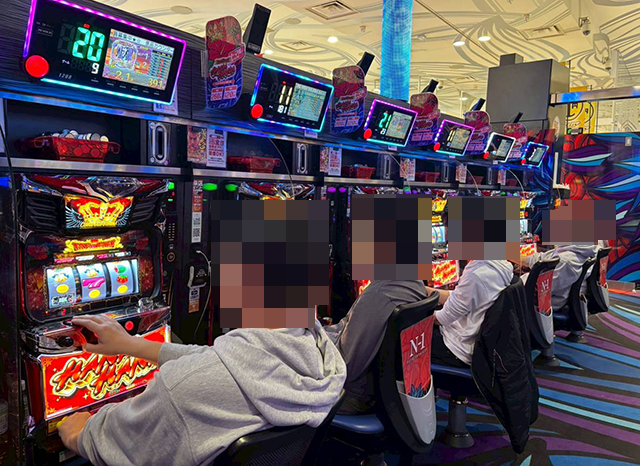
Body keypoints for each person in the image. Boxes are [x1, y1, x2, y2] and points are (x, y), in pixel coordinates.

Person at [57, 315, 346, 466]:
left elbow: (112, 444)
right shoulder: (322, 357)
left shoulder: (182, 390)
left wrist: (78, 430)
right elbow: (228, 358)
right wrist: (134, 345)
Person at [324, 281, 427, 415]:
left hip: (350, 394)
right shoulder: (414, 283)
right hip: (381, 388)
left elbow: (345, 367)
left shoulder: (378, 295)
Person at [425, 260, 514, 367]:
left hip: (457, 348)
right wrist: (426, 291)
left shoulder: (476, 275)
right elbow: (462, 296)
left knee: (408, 337)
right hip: (474, 340)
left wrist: (415, 312)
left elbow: (442, 319)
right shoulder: (500, 266)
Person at [520, 244, 598, 311]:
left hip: (548, 303)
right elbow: (542, 258)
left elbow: (540, 290)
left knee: (513, 292)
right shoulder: (575, 248)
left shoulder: (566, 260)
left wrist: (520, 279)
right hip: (552, 294)